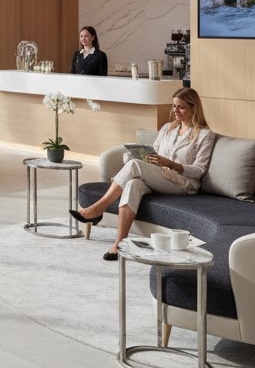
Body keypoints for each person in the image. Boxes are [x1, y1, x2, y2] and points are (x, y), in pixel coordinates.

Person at [70, 87, 215, 260]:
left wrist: (170, 164)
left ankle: (98, 208)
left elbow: (199, 170)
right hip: (159, 176)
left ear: (193, 108)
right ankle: (119, 244)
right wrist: (141, 156)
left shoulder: (205, 135)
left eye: (181, 107)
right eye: (173, 106)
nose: (175, 111)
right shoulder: (168, 128)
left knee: (134, 167)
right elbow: (154, 152)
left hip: (183, 184)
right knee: (133, 184)